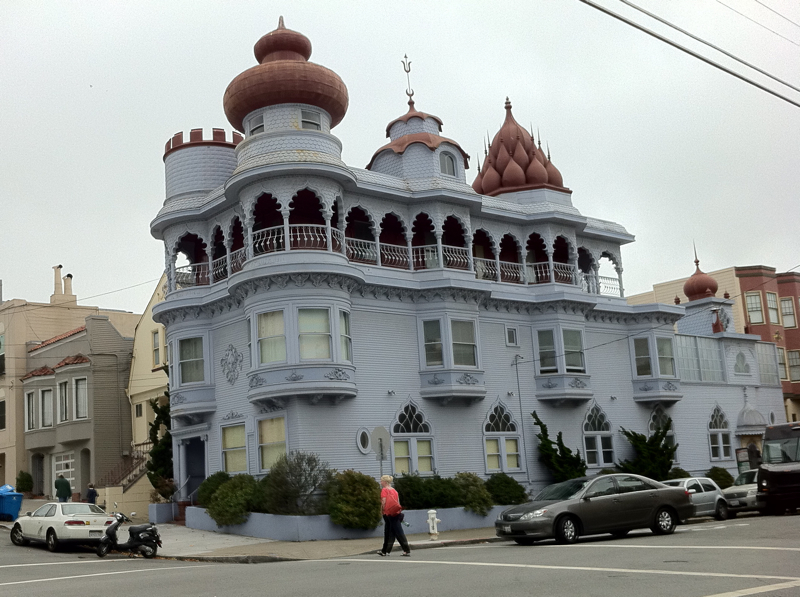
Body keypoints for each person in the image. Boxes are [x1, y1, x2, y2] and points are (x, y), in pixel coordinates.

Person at [377, 475, 410, 557]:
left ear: (385, 482)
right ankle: (385, 551)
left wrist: (382, 510)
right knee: (390, 531)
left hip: (388, 512)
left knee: (395, 531)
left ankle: (406, 549)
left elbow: (383, 502)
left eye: (381, 481)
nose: (380, 482)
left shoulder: (384, 490)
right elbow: (398, 502)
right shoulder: (394, 491)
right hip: (395, 512)